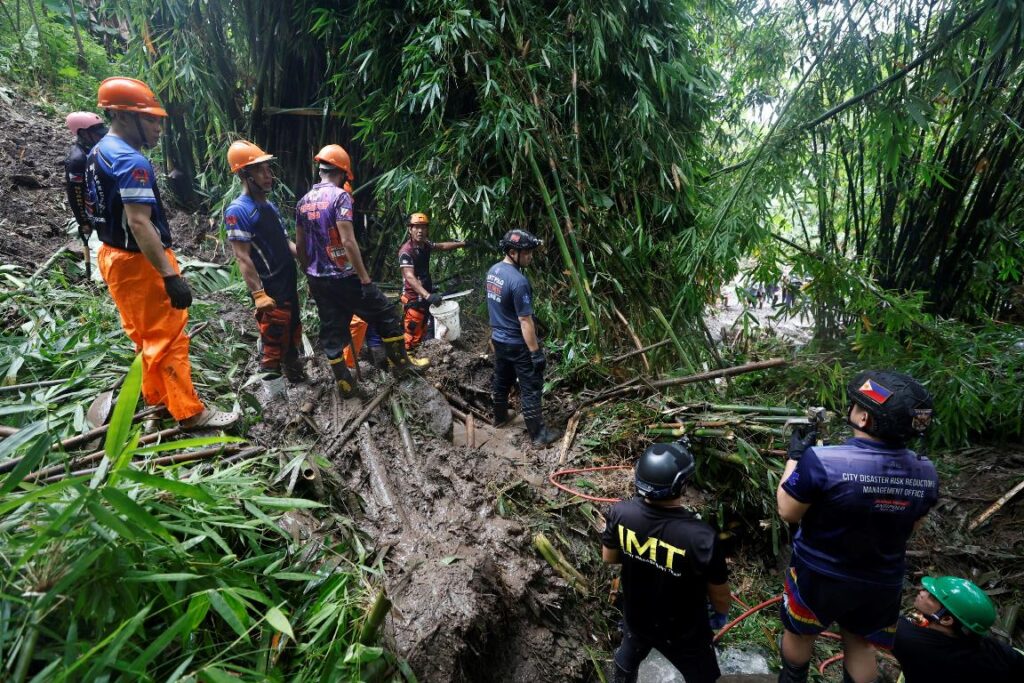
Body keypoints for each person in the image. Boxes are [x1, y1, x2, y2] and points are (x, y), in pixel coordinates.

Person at [86, 77, 237, 429]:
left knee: (144, 336)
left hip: (112, 256)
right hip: (140, 263)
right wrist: (170, 276)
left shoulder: (98, 151)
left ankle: (158, 400)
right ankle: (189, 413)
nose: (158, 128)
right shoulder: (131, 161)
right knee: (169, 337)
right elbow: (140, 224)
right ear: (123, 116)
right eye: (151, 120)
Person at [775, 370, 938, 683]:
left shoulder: (823, 460)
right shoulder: (926, 470)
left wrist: (795, 458)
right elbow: (913, 524)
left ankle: (793, 678)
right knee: (861, 644)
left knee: (799, 635)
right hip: (880, 582)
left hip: (819, 576)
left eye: (854, 405)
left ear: (864, 418)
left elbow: (788, 511)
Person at [295, 144, 419, 398]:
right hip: (344, 277)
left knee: (332, 330)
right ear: (341, 172)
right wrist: (364, 278)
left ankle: (345, 383)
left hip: (319, 278)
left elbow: (300, 246)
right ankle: (402, 366)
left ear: (321, 170)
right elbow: (348, 241)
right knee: (385, 313)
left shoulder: (303, 202)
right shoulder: (340, 197)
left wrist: (309, 275)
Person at [601, 441, 731, 683]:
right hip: (684, 632)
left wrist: (641, 556)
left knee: (625, 662)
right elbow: (720, 596)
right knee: (705, 677)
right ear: (681, 485)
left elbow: (609, 557)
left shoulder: (620, 512)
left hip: (637, 619)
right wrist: (719, 615)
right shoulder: (701, 537)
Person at [224, 140, 306, 400]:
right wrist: (258, 293)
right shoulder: (238, 210)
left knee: (293, 332)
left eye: (268, 169)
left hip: (287, 283)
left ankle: (296, 376)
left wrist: (308, 261)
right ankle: (275, 401)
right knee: (272, 343)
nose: (268, 175)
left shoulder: (269, 207)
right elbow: (242, 257)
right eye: (260, 170)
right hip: (270, 289)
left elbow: (285, 242)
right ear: (244, 174)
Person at [486, 229, 561, 445]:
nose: (530, 256)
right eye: (527, 253)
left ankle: (499, 418)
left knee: (502, 380)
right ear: (512, 252)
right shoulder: (518, 281)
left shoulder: (493, 272)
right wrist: (535, 352)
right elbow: (525, 321)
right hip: (518, 343)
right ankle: (538, 436)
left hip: (498, 340)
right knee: (531, 386)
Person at [892, 576, 1024, 682]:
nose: (921, 592)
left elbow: (876, 628)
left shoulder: (907, 639)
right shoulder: (994, 651)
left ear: (946, 619)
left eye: (931, 596)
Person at [398, 212, 465, 350]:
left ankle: (420, 361)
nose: (420, 231)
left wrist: (463, 244)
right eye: (416, 227)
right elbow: (409, 277)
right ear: (410, 229)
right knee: (411, 334)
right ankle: (407, 364)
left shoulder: (425, 244)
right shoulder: (406, 251)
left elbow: (440, 246)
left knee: (423, 331)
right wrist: (427, 295)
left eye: (423, 227)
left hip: (426, 296)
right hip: (414, 298)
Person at [64, 112, 108, 247]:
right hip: (96, 212)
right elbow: (75, 193)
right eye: (96, 132)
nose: (101, 135)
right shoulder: (77, 160)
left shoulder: (97, 148)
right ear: (83, 134)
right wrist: (83, 222)